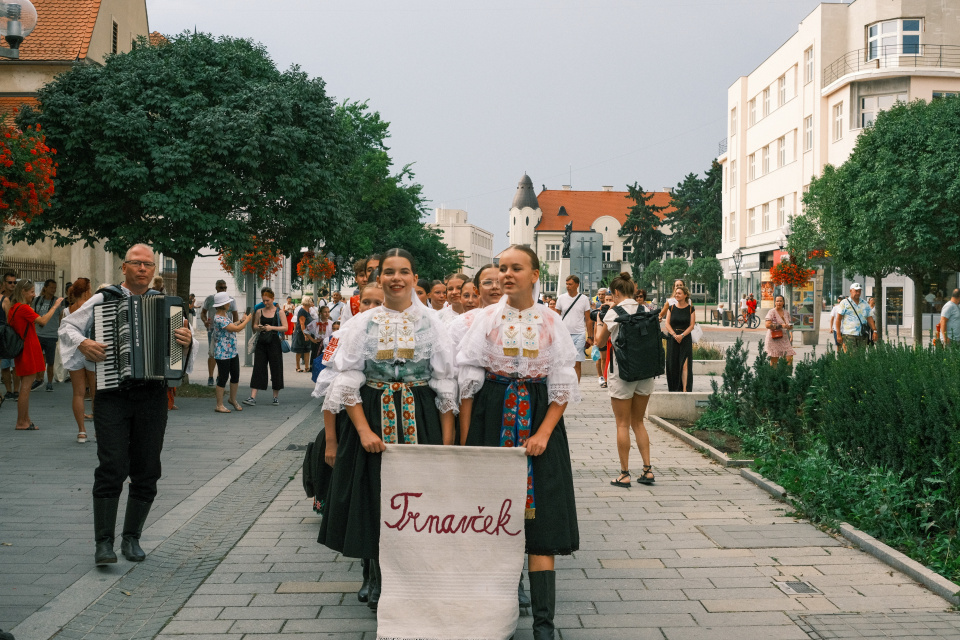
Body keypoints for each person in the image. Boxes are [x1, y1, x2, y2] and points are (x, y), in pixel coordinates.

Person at [318, 249, 456, 612]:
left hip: (420, 413)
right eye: (389, 272)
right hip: (375, 413)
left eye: (404, 272)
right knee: (375, 496)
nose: (397, 278)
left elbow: (444, 384)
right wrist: (362, 431)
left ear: (414, 277)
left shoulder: (433, 323)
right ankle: (377, 576)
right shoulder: (361, 324)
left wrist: (446, 444)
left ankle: (412, 577)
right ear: (378, 278)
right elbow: (348, 379)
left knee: (419, 498)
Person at [457, 245, 580, 640]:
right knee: (490, 520)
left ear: (535, 274)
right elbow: (469, 384)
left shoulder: (550, 320)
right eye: (502, 268)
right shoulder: (486, 319)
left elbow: (561, 383)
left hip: (538, 416)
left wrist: (544, 432)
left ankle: (545, 626)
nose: (507, 275)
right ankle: (499, 617)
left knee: (541, 518)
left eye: (516, 268)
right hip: (492, 417)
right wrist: (465, 444)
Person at [58, 244, 197, 565]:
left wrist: (189, 342)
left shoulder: (168, 305)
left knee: (148, 468)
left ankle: (131, 538)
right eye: (137, 263)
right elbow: (68, 326)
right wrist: (86, 342)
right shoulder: (104, 299)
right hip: (112, 393)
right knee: (112, 466)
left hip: (152, 396)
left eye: (148, 265)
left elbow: (187, 345)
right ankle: (103, 543)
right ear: (124, 267)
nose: (143, 269)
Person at [595, 273, 656, 488]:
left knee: (622, 423)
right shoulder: (646, 310)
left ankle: (624, 473)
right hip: (646, 371)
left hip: (622, 373)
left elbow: (599, 342)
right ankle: (647, 470)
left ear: (617, 292)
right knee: (638, 422)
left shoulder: (613, 312)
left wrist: (599, 322)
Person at [8, 280, 63, 429]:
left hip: (22, 349)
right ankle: (21, 421)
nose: (34, 295)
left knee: (24, 386)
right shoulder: (24, 308)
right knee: (26, 387)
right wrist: (55, 306)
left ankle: (25, 419)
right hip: (29, 348)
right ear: (23, 292)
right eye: (31, 292)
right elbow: (43, 321)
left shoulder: (14, 308)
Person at [63, 278, 95, 443]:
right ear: (87, 291)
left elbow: (63, 334)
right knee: (96, 394)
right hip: (91, 351)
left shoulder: (67, 311)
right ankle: (98, 430)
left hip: (74, 353)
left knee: (78, 393)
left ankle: (81, 431)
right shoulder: (92, 308)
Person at [210, 292, 253, 413]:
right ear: (222, 305)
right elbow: (237, 329)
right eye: (227, 302)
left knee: (235, 376)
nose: (229, 304)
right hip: (222, 353)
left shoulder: (225, 316)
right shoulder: (218, 318)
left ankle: (232, 399)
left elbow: (232, 325)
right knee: (223, 378)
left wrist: (241, 321)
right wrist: (247, 320)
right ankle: (219, 405)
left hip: (232, 351)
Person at [245, 288, 287, 406]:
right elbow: (254, 326)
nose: (266, 303)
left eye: (268, 300)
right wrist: (260, 327)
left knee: (276, 368)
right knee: (258, 367)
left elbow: (285, 327)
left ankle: (275, 396)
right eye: (264, 300)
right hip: (262, 342)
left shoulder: (279, 312)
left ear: (273, 299)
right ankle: (252, 396)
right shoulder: (259, 311)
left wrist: (271, 328)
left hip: (274, 342)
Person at [556, 275, 593, 381]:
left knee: (577, 363)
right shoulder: (561, 298)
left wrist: (590, 336)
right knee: (564, 363)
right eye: (567, 284)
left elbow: (588, 319)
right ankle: (567, 388)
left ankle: (576, 391)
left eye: (570, 284)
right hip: (564, 335)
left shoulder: (584, 299)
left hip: (579, 334)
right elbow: (556, 317)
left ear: (577, 285)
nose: (568, 286)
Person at [201, 280, 237, 386]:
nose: (223, 289)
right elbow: (203, 313)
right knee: (212, 353)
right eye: (221, 287)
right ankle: (211, 376)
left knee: (224, 355)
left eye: (225, 287)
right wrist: (205, 321)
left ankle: (219, 377)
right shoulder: (210, 299)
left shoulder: (231, 300)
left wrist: (234, 327)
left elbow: (235, 314)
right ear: (216, 288)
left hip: (227, 329)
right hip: (213, 329)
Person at [31, 279, 63, 392]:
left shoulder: (58, 302)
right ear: (45, 287)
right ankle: (38, 379)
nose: (53, 290)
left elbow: (60, 318)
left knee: (50, 361)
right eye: (51, 287)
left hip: (51, 335)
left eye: (55, 288)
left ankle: (49, 382)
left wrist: (57, 330)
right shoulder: (37, 300)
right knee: (37, 359)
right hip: (38, 334)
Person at [665, 284, 695, 392]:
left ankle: (685, 389)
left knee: (685, 365)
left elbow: (692, 325)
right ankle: (674, 388)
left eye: (679, 293)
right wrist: (674, 335)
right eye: (676, 293)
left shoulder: (690, 308)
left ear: (685, 295)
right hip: (673, 339)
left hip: (685, 338)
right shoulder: (671, 308)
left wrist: (682, 335)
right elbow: (667, 324)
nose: (676, 295)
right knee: (673, 364)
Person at [835, 283, 877, 352]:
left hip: (862, 335)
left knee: (861, 357)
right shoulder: (844, 303)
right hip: (849, 335)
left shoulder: (865, 303)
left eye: (859, 291)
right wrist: (838, 334)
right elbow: (838, 319)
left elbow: (869, 318)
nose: (858, 293)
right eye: (856, 291)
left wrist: (874, 331)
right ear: (850, 291)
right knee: (851, 357)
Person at [1, 271, 20, 400]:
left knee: (16, 364)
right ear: (4, 283)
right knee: (5, 365)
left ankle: (16, 390)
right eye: (10, 282)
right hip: (5, 333)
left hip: (14, 334)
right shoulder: (3, 298)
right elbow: (9, 319)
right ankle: (8, 390)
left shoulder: (17, 297)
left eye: (14, 282)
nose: (13, 285)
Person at [765, 294, 796, 366]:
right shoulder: (771, 312)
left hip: (784, 338)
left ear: (783, 302)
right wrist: (781, 326)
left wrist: (790, 330)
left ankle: (787, 375)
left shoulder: (786, 312)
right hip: (774, 338)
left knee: (789, 357)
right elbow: (767, 325)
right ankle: (774, 376)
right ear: (775, 302)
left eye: (780, 301)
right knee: (774, 360)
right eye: (777, 301)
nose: (778, 303)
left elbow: (789, 325)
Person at [340, 258, 369, 324]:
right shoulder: (351, 303)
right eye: (361, 275)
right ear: (356, 279)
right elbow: (344, 331)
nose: (365, 279)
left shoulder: (383, 301)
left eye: (367, 276)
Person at [291, 296, 315, 372]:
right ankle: (297, 367)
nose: (312, 303)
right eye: (311, 301)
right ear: (307, 302)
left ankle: (307, 367)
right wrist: (305, 335)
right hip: (301, 333)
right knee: (299, 350)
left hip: (307, 332)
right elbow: (302, 324)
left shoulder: (308, 310)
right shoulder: (302, 311)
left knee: (307, 350)